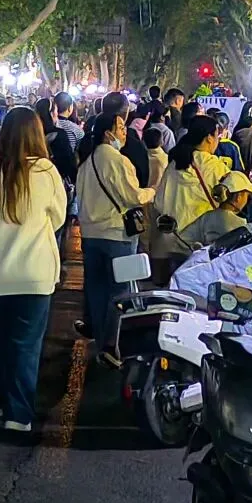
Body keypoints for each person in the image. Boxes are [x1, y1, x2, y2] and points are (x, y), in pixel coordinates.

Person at [0, 106, 66, 433]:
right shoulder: (46, 170)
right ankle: (18, 414)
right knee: (26, 348)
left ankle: (0, 396)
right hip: (35, 273)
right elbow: (58, 217)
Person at [76, 110, 155, 345]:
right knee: (121, 293)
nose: (124, 133)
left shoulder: (86, 163)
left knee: (96, 292)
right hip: (116, 235)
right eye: (120, 128)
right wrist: (151, 192)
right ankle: (116, 343)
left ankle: (102, 341)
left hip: (90, 236)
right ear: (108, 133)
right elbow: (133, 196)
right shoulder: (118, 160)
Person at [152, 116, 229, 280]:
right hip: (199, 244)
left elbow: (159, 202)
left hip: (172, 240)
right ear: (209, 138)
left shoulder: (175, 163)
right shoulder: (215, 166)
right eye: (217, 135)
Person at [182, 171, 252, 248]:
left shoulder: (206, 217)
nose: (246, 200)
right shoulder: (239, 225)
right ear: (238, 197)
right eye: (247, 196)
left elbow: (183, 239)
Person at [35, 98, 77, 189]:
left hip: (36, 179)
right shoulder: (60, 135)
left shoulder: (32, 134)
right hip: (56, 181)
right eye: (56, 111)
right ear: (52, 114)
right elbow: (69, 163)